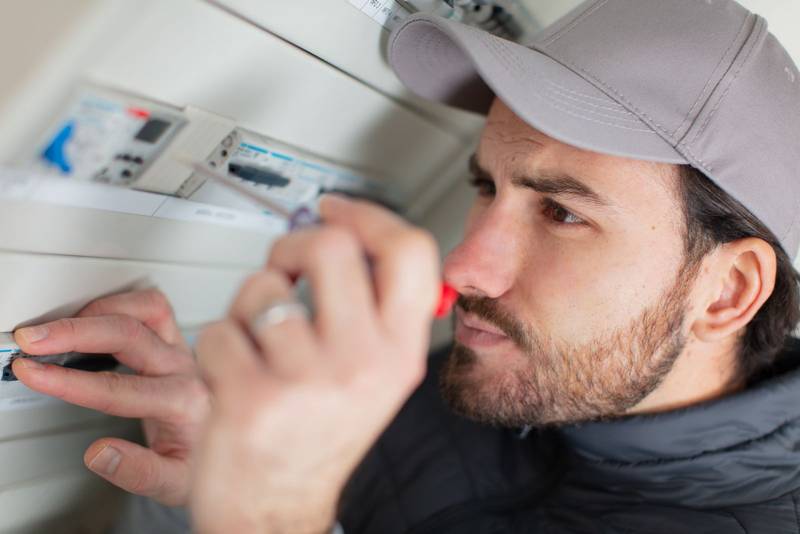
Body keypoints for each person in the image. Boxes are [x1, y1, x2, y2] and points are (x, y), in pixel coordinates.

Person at [10, 0, 800, 532]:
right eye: (485, 187)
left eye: (562, 213)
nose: (465, 264)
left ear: (727, 292)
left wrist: (268, 518)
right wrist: (208, 481)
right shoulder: (452, 383)